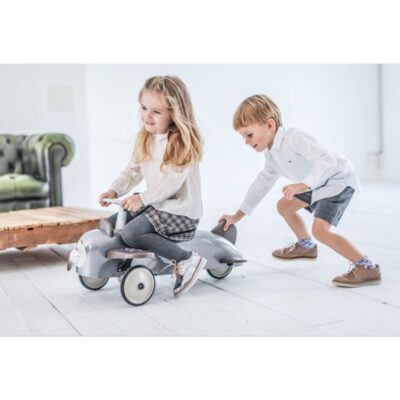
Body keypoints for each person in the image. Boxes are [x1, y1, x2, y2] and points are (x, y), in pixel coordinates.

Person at [219, 94, 381, 287]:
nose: (246, 141)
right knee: (284, 206)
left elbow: (327, 159)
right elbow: (261, 185)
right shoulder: (272, 155)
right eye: (243, 137)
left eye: (249, 135)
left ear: (270, 125)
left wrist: (304, 185)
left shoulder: (293, 138)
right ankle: (306, 245)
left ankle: (367, 267)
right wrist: (237, 216)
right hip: (316, 183)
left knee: (320, 231)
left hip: (337, 180)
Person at [99, 76, 206, 297]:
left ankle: (187, 260)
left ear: (174, 114)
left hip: (180, 211)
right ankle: (118, 262)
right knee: (113, 223)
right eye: (143, 107)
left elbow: (171, 184)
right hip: (158, 204)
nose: (147, 116)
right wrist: (115, 190)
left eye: (156, 112)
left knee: (130, 233)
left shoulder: (181, 143)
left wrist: (142, 199)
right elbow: (133, 170)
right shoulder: (147, 138)